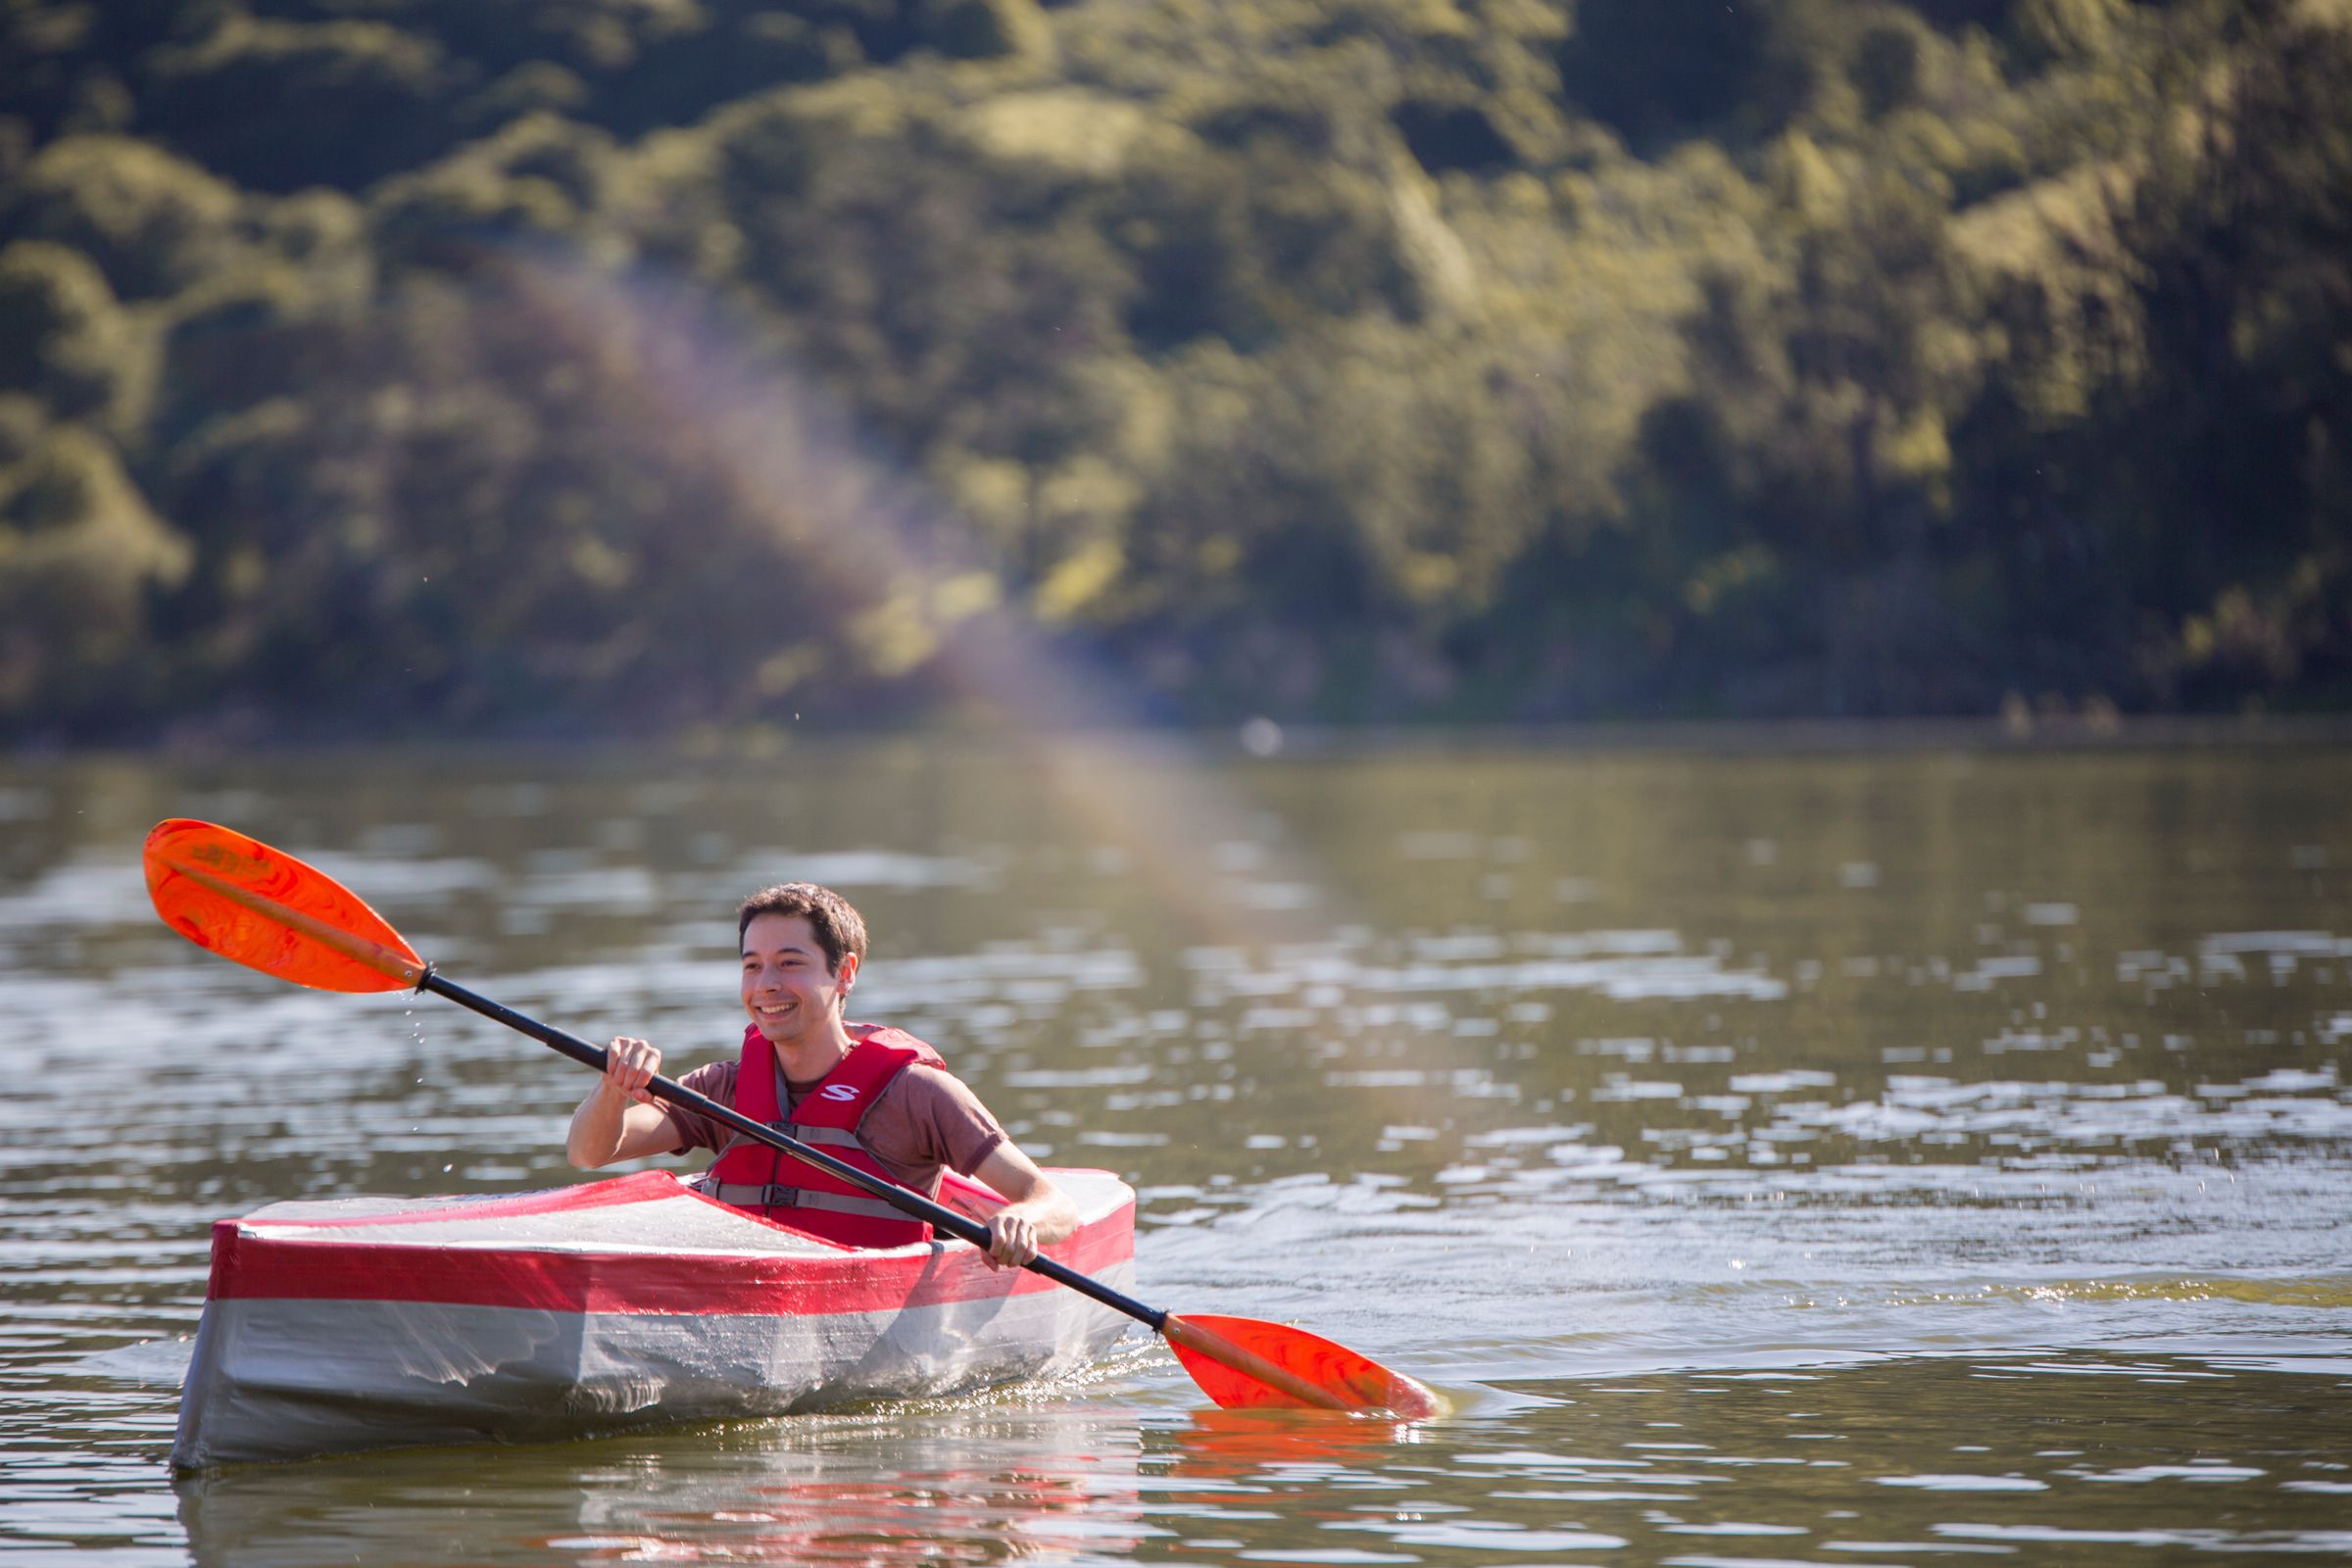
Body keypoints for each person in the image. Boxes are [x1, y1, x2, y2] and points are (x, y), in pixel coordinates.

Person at [567, 881, 1077, 1268]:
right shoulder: (723, 1088)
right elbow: (590, 1152)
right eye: (752, 966)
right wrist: (613, 1086)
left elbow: (1054, 1204)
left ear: (845, 972)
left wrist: (1021, 1220)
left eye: (790, 963)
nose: (766, 985)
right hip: (745, 1290)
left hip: (871, 1300)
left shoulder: (919, 1094)